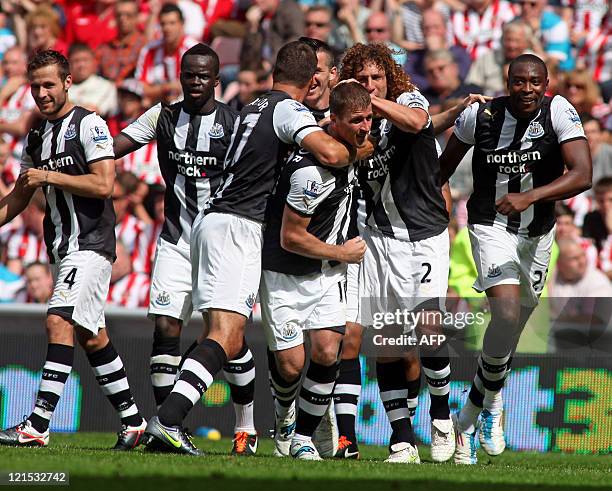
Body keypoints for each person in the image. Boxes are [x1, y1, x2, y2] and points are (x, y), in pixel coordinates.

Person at [144, 40, 370, 456]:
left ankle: (173, 419)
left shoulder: (251, 106)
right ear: (313, 79)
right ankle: (168, 420)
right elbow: (331, 153)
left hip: (212, 221)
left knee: (222, 336)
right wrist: (360, 147)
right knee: (227, 337)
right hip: (238, 226)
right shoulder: (289, 109)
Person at [439, 53, 592, 464]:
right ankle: (479, 414)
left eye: (535, 82)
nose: (527, 89)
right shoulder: (482, 116)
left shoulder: (559, 110)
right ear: (507, 83)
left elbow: (582, 173)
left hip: (538, 235)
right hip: (490, 227)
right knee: (505, 316)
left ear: (545, 84)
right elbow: (441, 169)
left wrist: (530, 196)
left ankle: (478, 409)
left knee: (511, 332)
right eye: (519, 82)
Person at [115, 44, 258, 455]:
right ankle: (169, 427)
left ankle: (245, 427)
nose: (195, 82)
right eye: (188, 75)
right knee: (166, 327)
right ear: (180, 76)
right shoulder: (163, 116)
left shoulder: (234, 124)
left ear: (216, 80)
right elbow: (116, 144)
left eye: (203, 76)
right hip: (176, 237)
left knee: (228, 336)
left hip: (221, 241)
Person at [0, 50, 146, 450]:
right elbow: (19, 196)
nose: (41, 93)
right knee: (91, 335)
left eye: (49, 84)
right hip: (63, 248)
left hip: (92, 244)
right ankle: (134, 423)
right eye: (35, 86)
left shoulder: (89, 124)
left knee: (58, 321)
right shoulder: (36, 135)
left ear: (67, 82)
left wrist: (50, 175)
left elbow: (104, 185)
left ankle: (38, 424)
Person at [339, 42, 455, 464]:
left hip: (423, 234)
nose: (371, 85)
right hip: (379, 240)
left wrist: (376, 103)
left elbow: (419, 121)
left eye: (377, 77)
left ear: (389, 78)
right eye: (362, 80)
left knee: (428, 330)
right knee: (388, 341)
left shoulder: (407, 99)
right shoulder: (350, 127)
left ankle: (442, 417)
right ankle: (402, 439)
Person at [261, 81, 371, 460]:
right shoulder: (310, 173)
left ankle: (303, 438)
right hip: (285, 273)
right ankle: (284, 414)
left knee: (327, 351)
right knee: (290, 367)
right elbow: (291, 237)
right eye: (357, 120)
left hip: (326, 275)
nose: (365, 127)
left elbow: (364, 147)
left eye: (369, 118)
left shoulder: (345, 146)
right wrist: (341, 252)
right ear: (334, 120)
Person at [135, 3, 198, 104]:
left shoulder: (194, 51)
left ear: (182, 24)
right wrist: (167, 88)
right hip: (157, 104)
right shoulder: (150, 50)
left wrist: (155, 90)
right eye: (163, 24)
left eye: (172, 23)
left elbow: (198, 86)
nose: (167, 28)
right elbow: (141, 88)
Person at [96, 0, 148, 84]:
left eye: (128, 15)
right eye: (119, 15)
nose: (122, 19)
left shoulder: (144, 46)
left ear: (136, 17)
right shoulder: (106, 47)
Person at [68, 43, 118, 119]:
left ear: (93, 62)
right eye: (76, 61)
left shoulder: (107, 86)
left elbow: (105, 110)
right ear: (69, 64)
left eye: (85, 60)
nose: (81, 65)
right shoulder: (63, 89)